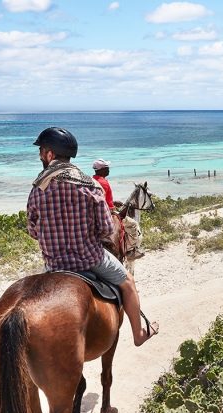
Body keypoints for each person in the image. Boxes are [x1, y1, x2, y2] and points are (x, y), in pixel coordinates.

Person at [27, 127, 158, 346]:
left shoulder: (37, 189)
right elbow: (107, 229)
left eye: (41, 151)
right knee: (128, 282)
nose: (40, 155)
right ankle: (139, 334)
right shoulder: (91, 185)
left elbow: (33, 231)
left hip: (53, 265)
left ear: (50, 155)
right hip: (91, 259)